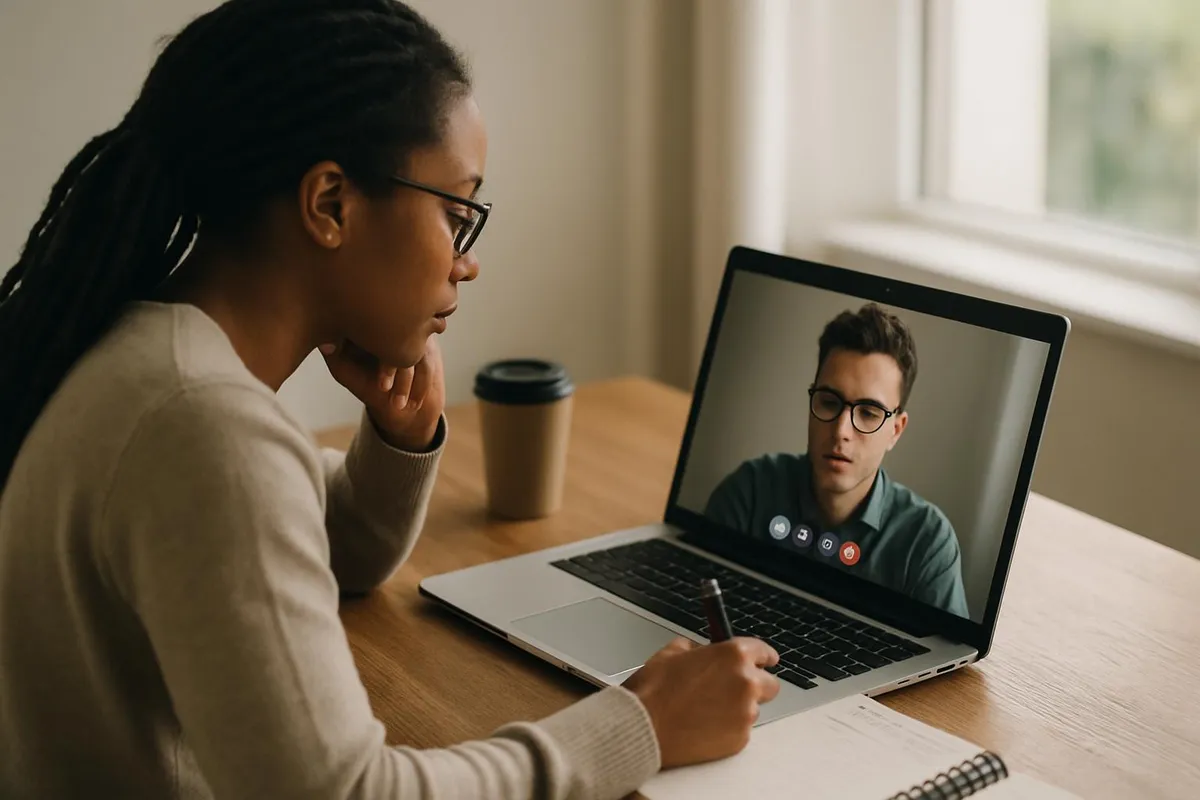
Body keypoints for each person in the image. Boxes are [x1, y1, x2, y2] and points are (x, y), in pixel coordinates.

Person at [0, 2, 781, 798]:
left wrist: (399, 438)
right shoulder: (203, 425)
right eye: (456, 213)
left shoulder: (146, 350)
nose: (465, 262)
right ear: (331, 204)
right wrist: (641, 726)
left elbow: (308, 558)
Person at [704, 303, 970, 618]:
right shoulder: (749, 491)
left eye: (869, 412)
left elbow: (949, 665)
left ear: (896, 431)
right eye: (829, 403)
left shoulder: (926, 543)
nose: (841, 431)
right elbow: (690, 606)